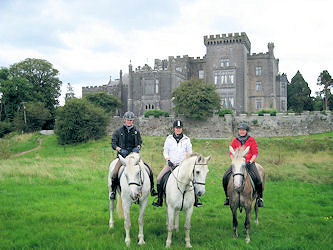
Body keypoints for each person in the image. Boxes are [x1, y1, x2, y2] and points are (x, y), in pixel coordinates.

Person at [152, 120, 202, 207]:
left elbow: (189, 153)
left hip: (183, 166)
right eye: (177, 128)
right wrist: (168, 160)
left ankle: (195, 200)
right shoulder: (169, 139)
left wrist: (186, 163)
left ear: (182, 129)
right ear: (174, 128)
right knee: (159, 178)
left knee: (192, 179)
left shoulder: (187, 140)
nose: (178, 130)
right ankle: (159, 200)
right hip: (171, 164)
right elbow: (165, 151)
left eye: (180, 128)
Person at [110, 111, 157, 200]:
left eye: (131, 120)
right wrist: (120, 149)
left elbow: (140, 142)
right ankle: (113, 191)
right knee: (115, 172)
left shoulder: (136, 131)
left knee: (148, 169)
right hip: (123, 157)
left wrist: (138, 147)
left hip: (134, 157)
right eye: (128, 120)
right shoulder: (118, 131)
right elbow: (113, 144)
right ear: (124, 120)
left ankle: (152, 189)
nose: (129, 122)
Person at [222, 122, 264, 207]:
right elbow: (231, 152)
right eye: (240, 130)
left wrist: (251, 161)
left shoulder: (251, 140)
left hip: (249, 162)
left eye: (243, 130)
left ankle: (259, 198)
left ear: (246, 131)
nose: (241, 131)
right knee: (225, 177)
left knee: (258, 179)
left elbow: (255, 153)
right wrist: (233, 160)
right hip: (237, 163)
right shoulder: (235, 140)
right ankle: (227, 197)